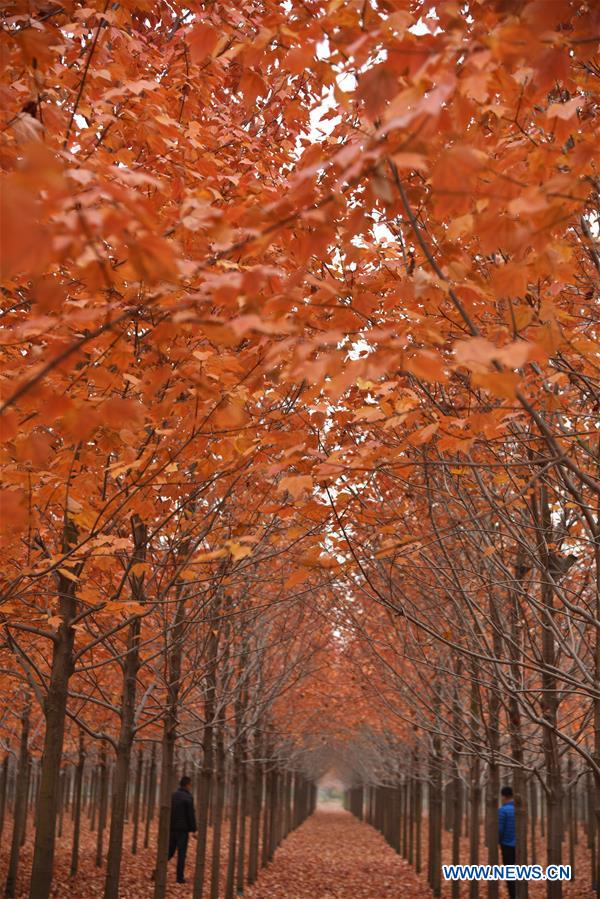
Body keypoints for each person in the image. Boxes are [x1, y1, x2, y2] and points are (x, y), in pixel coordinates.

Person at [169, 776, 197, 884]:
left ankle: (158, 869)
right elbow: (191, 814)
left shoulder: (173, 796)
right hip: (182, 830)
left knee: (169, 852)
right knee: (181, 854)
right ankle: (179, 878)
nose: (191, 786)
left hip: (172, 829)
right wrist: (194, 829)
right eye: (190, 784)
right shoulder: (188, 797)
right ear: (187, 785)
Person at [498, 785, 516, 899]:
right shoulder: (520, 809)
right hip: (519, 846)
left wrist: (497, 841)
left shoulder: (502, 810)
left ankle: (513, 896)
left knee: (510, 873)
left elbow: (500, 830)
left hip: (507, 845)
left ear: (503, 796)